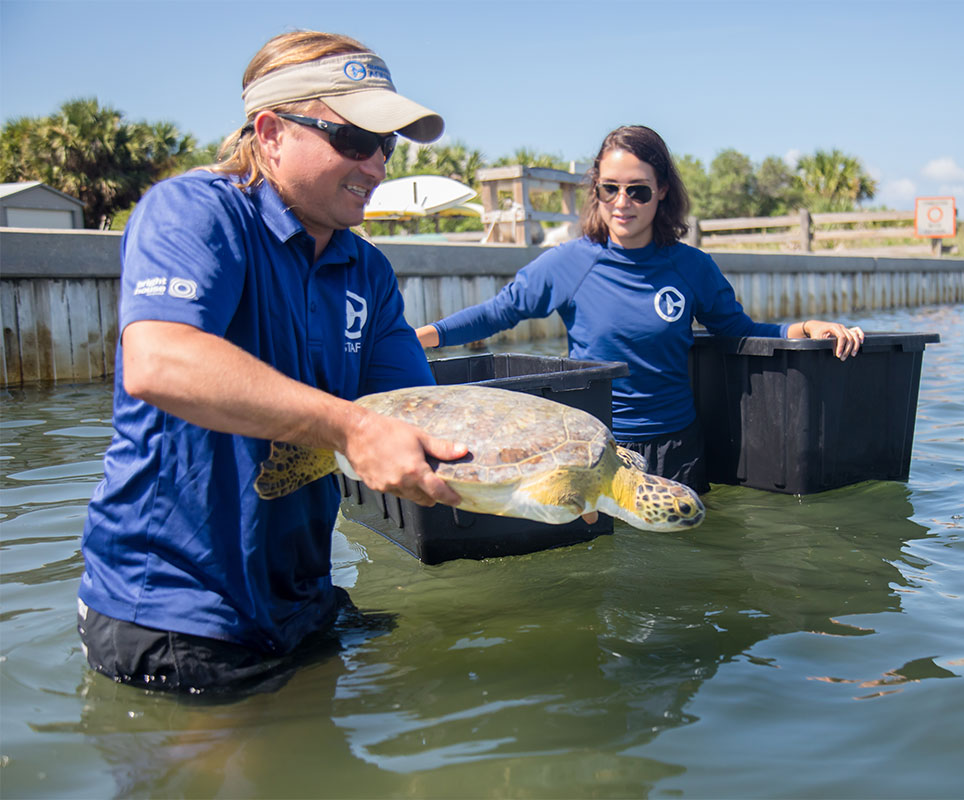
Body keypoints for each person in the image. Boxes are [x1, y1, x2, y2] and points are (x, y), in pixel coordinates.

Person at [77, 31, 470, 694]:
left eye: (386, 146)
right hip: (176, 613)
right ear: (271, 132)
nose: (376, 167)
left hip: (301, 598)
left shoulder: (366, 268)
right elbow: (159, 360)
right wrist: (351, 429)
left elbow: (420, 419)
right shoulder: (192, 214)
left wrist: (557, 481)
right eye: (353, 141)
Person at [417, 125, 864, 493]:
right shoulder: (568, 263)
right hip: (596, 448)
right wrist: (422, 336)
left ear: (663, 191)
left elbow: (737, 330)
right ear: (597, 189)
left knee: (679, 579)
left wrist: (804, 328)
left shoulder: (692, 267)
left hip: (678, 449)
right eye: (610, 189)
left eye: (638, 191)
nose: (622, 203)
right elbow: (499, 312)